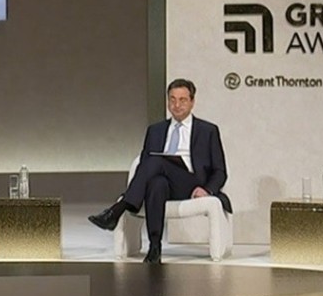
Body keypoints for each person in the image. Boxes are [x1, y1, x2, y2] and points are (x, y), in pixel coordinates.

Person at [87, 78, 231, 264]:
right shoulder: (155, 130)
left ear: (192, 102)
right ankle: (155, 248)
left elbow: (220, 170)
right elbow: (145, 165)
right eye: (172, 99)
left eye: (182, 100)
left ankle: (118, 209)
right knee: (156, 183)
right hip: (165, 183)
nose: (177, 105)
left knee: (156, 160)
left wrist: (207, 189)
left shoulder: (208, 130)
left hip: (190, 183)